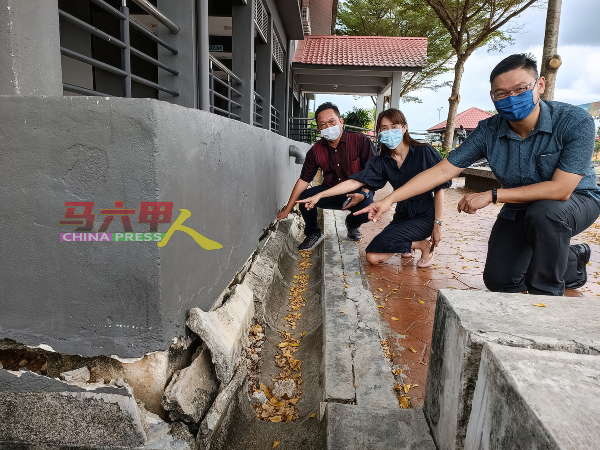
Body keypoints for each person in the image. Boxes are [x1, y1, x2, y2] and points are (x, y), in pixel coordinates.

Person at [355, 53, 600, 296]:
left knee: (544, 213)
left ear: (541, 85)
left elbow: (561, 189)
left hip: (574, 201)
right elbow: (442, 171)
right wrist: (389, 200)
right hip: (519, 208)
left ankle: (545, 299)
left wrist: (493, 195)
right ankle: (570, 261)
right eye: (501, 94)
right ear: (493, 97)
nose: (511, 98)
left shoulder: (574, 121)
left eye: (521, 89)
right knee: (500, 280)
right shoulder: (489, 130)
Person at [298, 108, 450, 267]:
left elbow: (440, 187)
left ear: (404, 128)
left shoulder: (424, 152)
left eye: (394, 127)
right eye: (384, 129)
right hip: (402, 214)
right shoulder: (382, 161)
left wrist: (437, 223)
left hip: (424, 215)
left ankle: (423, 245)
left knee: (385, 243)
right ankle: (415, 243)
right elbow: (355, 182)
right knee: (372, 256)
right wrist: (320, 195)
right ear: (379, 133)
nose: (389, 132)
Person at [277, 102, 376, 250]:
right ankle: (313, 233)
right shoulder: (316, 151)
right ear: (318, 128)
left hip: (358, 193)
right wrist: (288, 209)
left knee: (367, 209)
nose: (328, 127)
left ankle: (352, 224)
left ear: (341, 122)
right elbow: (304, 180)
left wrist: (363, 194)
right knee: (305, 198)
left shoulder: (361, 141)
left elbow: (372, 173)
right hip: (330, 191)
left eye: (332, 122)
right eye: (323, 124)